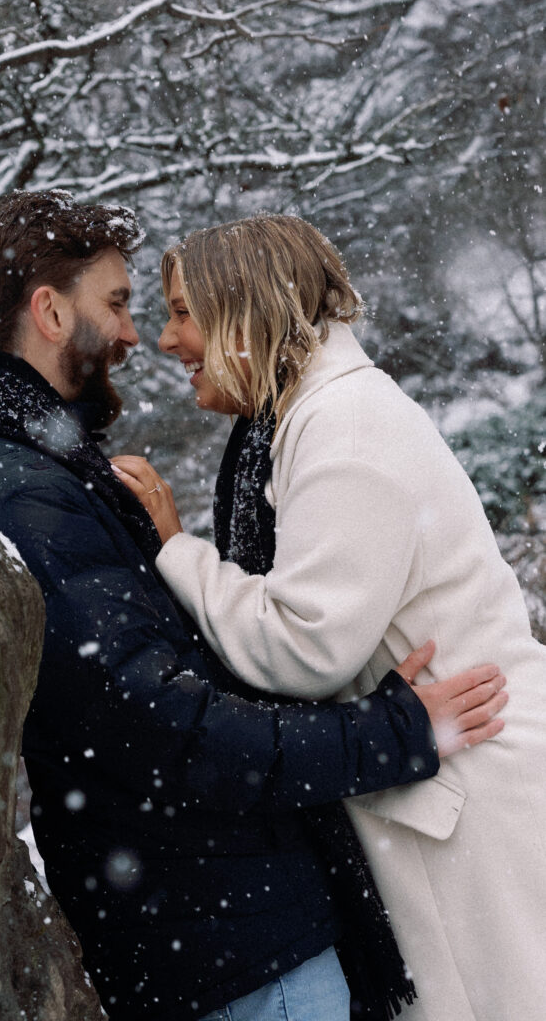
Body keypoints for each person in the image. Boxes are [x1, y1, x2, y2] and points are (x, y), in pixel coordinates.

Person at [0, 191, 506, 1021]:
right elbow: (170, 729)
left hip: (212, 928)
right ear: (49, 313)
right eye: (121, 305)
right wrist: (395, 733)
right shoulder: (28, 495)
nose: (140, 337)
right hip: (225, 943)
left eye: (166, 312)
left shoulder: (24, 475)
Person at [112, 213, 546, 1021]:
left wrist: (176, 550)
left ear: (244, 310)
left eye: (181, 312)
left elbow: (302, 646)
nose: (165, 341)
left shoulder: (344, 428)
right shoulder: (303, 420)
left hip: (469, 792)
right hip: (437, 777)